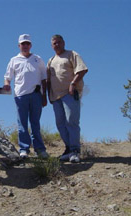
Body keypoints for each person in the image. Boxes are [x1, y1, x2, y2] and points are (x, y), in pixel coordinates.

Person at [3, 34, 49, 159]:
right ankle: (24, 149)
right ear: (19, 46)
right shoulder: (14, 60)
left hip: (36, 95)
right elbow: (8, 77)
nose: (25, 46)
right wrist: (7, 84)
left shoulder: (37, 59)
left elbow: (44, 78)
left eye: (27, 43)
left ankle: (40, 149)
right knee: (22, 123)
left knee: (35, 123)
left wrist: (44, 96)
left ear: (31, 45)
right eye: (23, 44)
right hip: (20, 95)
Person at [47, 34, 88, 163]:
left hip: (69, 93)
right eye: (54, 43)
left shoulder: (72, 54)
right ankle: (68, 149)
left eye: (59, 42)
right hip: (56, 96)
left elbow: (82, 70)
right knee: (60, 124)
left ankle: (75, 150)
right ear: (51, 45)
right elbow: (48, 79)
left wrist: (73, 84)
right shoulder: (51, 60)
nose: (57, 45)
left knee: (72, 121)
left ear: (63, 43)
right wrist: (48, 95)